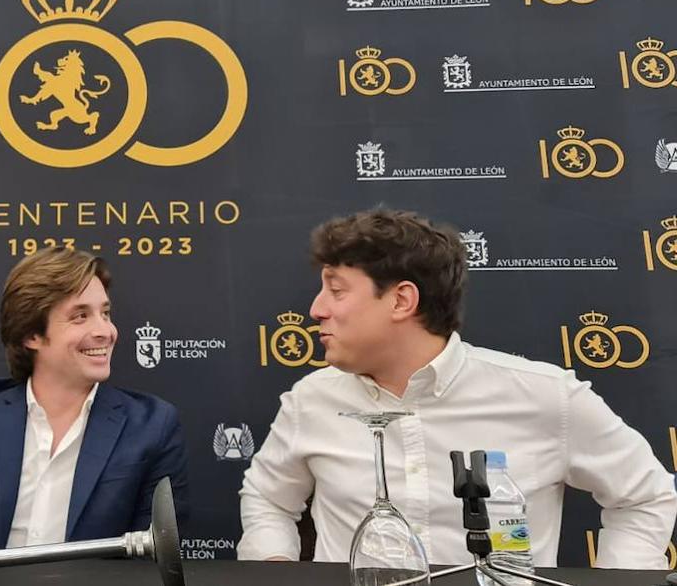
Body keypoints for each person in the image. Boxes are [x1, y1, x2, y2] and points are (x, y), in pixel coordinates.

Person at [238, 209, 677, 567]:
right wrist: (274, 567)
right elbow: (268, 498)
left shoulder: (547, 396)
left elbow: (645, 495)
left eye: (336, 290)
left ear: (401, 301)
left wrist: (622, 581)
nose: (316, 309)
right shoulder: (311, 400)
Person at [0, 246, 189, 557]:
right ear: (31, 335)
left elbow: (155, 564)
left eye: (105, 313)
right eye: (80, 316)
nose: (105, 331)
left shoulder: (152, 425)